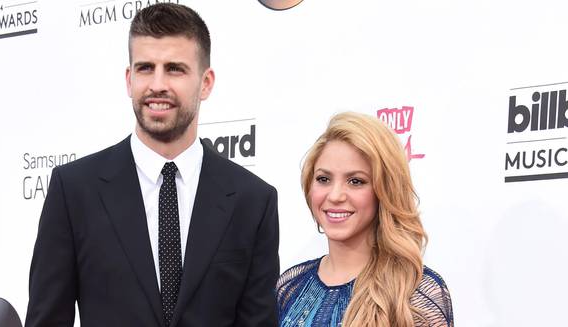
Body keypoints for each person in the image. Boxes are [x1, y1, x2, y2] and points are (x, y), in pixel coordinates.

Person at [25, 4, 279, 327]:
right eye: (146, 68)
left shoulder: (252, 201)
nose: (158, 84)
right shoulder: (74, 190)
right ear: (129, 80)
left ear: (206, 83)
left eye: (175, 69)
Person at [276, 112, 453, 326]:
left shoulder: (416, 292)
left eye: (356, 181)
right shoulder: (290, 286)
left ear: (384, 190)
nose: (335, 195)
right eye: (324, 179)